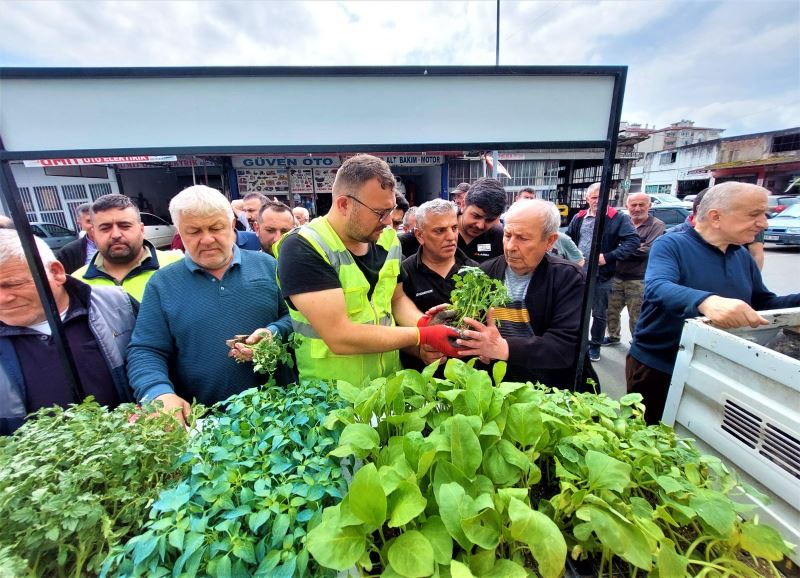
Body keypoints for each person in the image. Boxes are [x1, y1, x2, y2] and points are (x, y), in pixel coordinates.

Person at [276, 154, 460, 386]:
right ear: (344, 204)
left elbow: (397, 298)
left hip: (388, 387)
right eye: (379, 213)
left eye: (390, 210)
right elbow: (340, 336)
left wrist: (422, 324)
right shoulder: (304, 247)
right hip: (334, 398)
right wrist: (422, 335)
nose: (387, 221)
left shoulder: (388, 239)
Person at [627, 182, 800, 424]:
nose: (764, 223)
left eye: (764, 215)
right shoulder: (672, 244)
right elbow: (657, 287)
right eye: (754, 214)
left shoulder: (740, 255)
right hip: (660, 365)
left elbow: (762, 302)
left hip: (714, 364)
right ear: (716, 217)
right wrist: (705, 301)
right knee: (647, 434)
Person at [127, 185, 294, 423]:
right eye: (193, 231)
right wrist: (158, 392)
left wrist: (273, 332)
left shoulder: (267, 266)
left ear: (232, 226)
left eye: (216, 228)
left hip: (280, 415)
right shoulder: (163, 284)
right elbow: (146, 349)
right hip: (204, 422)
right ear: (179, 233)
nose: (207, 239)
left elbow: (296, 318)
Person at [0, 230, 136, 435]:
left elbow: (158, 356)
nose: (3, 298)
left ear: (56, 272)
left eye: (12, 284)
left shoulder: (116, 304)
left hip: (132, 448)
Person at [453, 200, 586, 388]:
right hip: (498, 385)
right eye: (507, 235)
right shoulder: (485, 273)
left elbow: (564, 347)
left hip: (549, 388)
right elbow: (476, 330)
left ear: (549, 241)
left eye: (523, 238)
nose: (510, 246)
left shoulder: (568, 278)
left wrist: (503, 348)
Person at [566, 182, 639, 362]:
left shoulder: (617, 218)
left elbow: (633, 241)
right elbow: (568, 239)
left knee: (599, 313)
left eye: (602, 197)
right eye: (594, 197)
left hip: (602, 275)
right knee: (577, 311)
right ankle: (579, 343)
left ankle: (595, 346)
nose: (598, 201)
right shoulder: (579, 217)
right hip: (579, 273)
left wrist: (608, 256)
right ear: (587, 199)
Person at [72, 194, 183, 301]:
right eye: (105, 228)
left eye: (125, 226)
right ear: (94, 233)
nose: (116, 235)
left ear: (141, 229)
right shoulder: (77, 283)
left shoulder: (178, 267)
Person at [604, 193, 665, 345]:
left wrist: (617, 252)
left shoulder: (656, 225)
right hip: (616, 276)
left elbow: (648, 250)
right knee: (610, 311)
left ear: (649, 206)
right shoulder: (621, 222)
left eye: (641, 204)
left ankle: (637, 342)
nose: (637, 208)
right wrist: (620, 251)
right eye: (633, 205)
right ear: (627, 206)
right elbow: (609, 245)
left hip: (638, 279)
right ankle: (613, 336)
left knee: (637, 315)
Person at [458, 178, 507, 262]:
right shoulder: (441, 230)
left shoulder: (500, 238)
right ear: (463, 205)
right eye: (476, 216)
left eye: (489, 220)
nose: (480, 226)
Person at [58, 203, 98, 274]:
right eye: (89, 221)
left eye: (97, 220)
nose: (94, 225)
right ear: (80, 223)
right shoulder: (68, 252)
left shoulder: (119, 245)